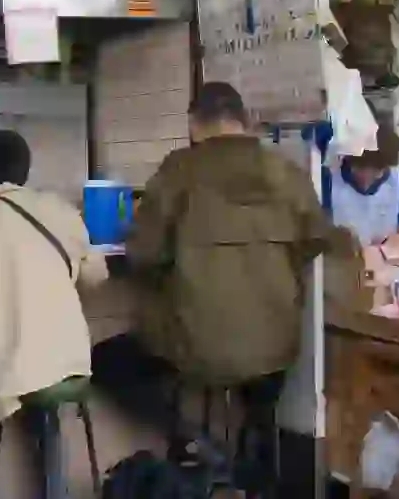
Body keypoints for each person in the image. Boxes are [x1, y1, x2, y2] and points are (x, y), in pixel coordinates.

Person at [92, 82, 333, 497]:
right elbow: (315, 242)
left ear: (194, 123)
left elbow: (143, 253)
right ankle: (252, 460)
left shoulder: (180, 170)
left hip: (197, 346)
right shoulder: (287, 173)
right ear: (245, 120)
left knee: (106, 360)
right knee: (260, 376)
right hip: (276, 347)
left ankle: (190, 439)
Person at [0, 130, 107, 499]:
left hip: (15, 362)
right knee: (44, 414)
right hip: (70, 359)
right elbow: (97, 275)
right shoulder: (60, 209)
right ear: (26, 170)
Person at [320, 120, 399, 246]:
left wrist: (397, 241)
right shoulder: (328, 181)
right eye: (360, 169)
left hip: (385, 261)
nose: (367, 178)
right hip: (341, 259)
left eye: (376, 171)